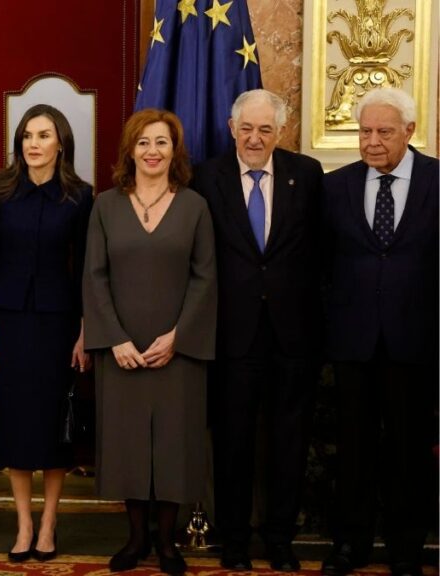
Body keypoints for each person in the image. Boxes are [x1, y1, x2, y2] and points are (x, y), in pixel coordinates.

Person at [191, 89, 324, 572]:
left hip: (293, 335)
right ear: (231, 128)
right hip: (230, 333)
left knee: (289, 441)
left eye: (265, 129)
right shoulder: (206, 178)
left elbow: (320, 251)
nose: (254, 138)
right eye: (246, 128)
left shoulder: (306, 174)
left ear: (280, 131)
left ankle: (280, 538)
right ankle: (233, 540)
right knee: (233, 441)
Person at [83, 109, 216, 576]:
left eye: (161, 142)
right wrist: (114, 339)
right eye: (143, 142)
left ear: (174, 151)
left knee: (174, 445)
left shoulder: (195, 207)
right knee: (128, 445)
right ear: (130, 150)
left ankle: (166, 542)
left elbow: (205, 278)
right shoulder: (105, 206)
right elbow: (94, 276)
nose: (152, 151)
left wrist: (179, 337)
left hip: (178, 348)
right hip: (122, 348)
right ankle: (136, 538)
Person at [320, 87, 438, 576]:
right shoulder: (335, 186)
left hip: (416, 341)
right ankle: (351, 544)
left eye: (384, 132)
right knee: (353, 449)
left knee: (409, 450)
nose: (371, 142)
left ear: (410, 131)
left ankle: (405, 550)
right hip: (353, 342)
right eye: (365, 131)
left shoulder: (437, 181)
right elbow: (321, 264)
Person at [0, 104, 92, 562]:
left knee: (52, 426)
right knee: (17, 423)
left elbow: (85, 269)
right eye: (27, 136)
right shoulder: (0, 191)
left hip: (58, 322)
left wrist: (84, 332)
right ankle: (23, 523)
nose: (34, 144)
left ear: (61, 143)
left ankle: (49, 522)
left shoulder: (80, 196)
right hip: (8, 321)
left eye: (43, 135)